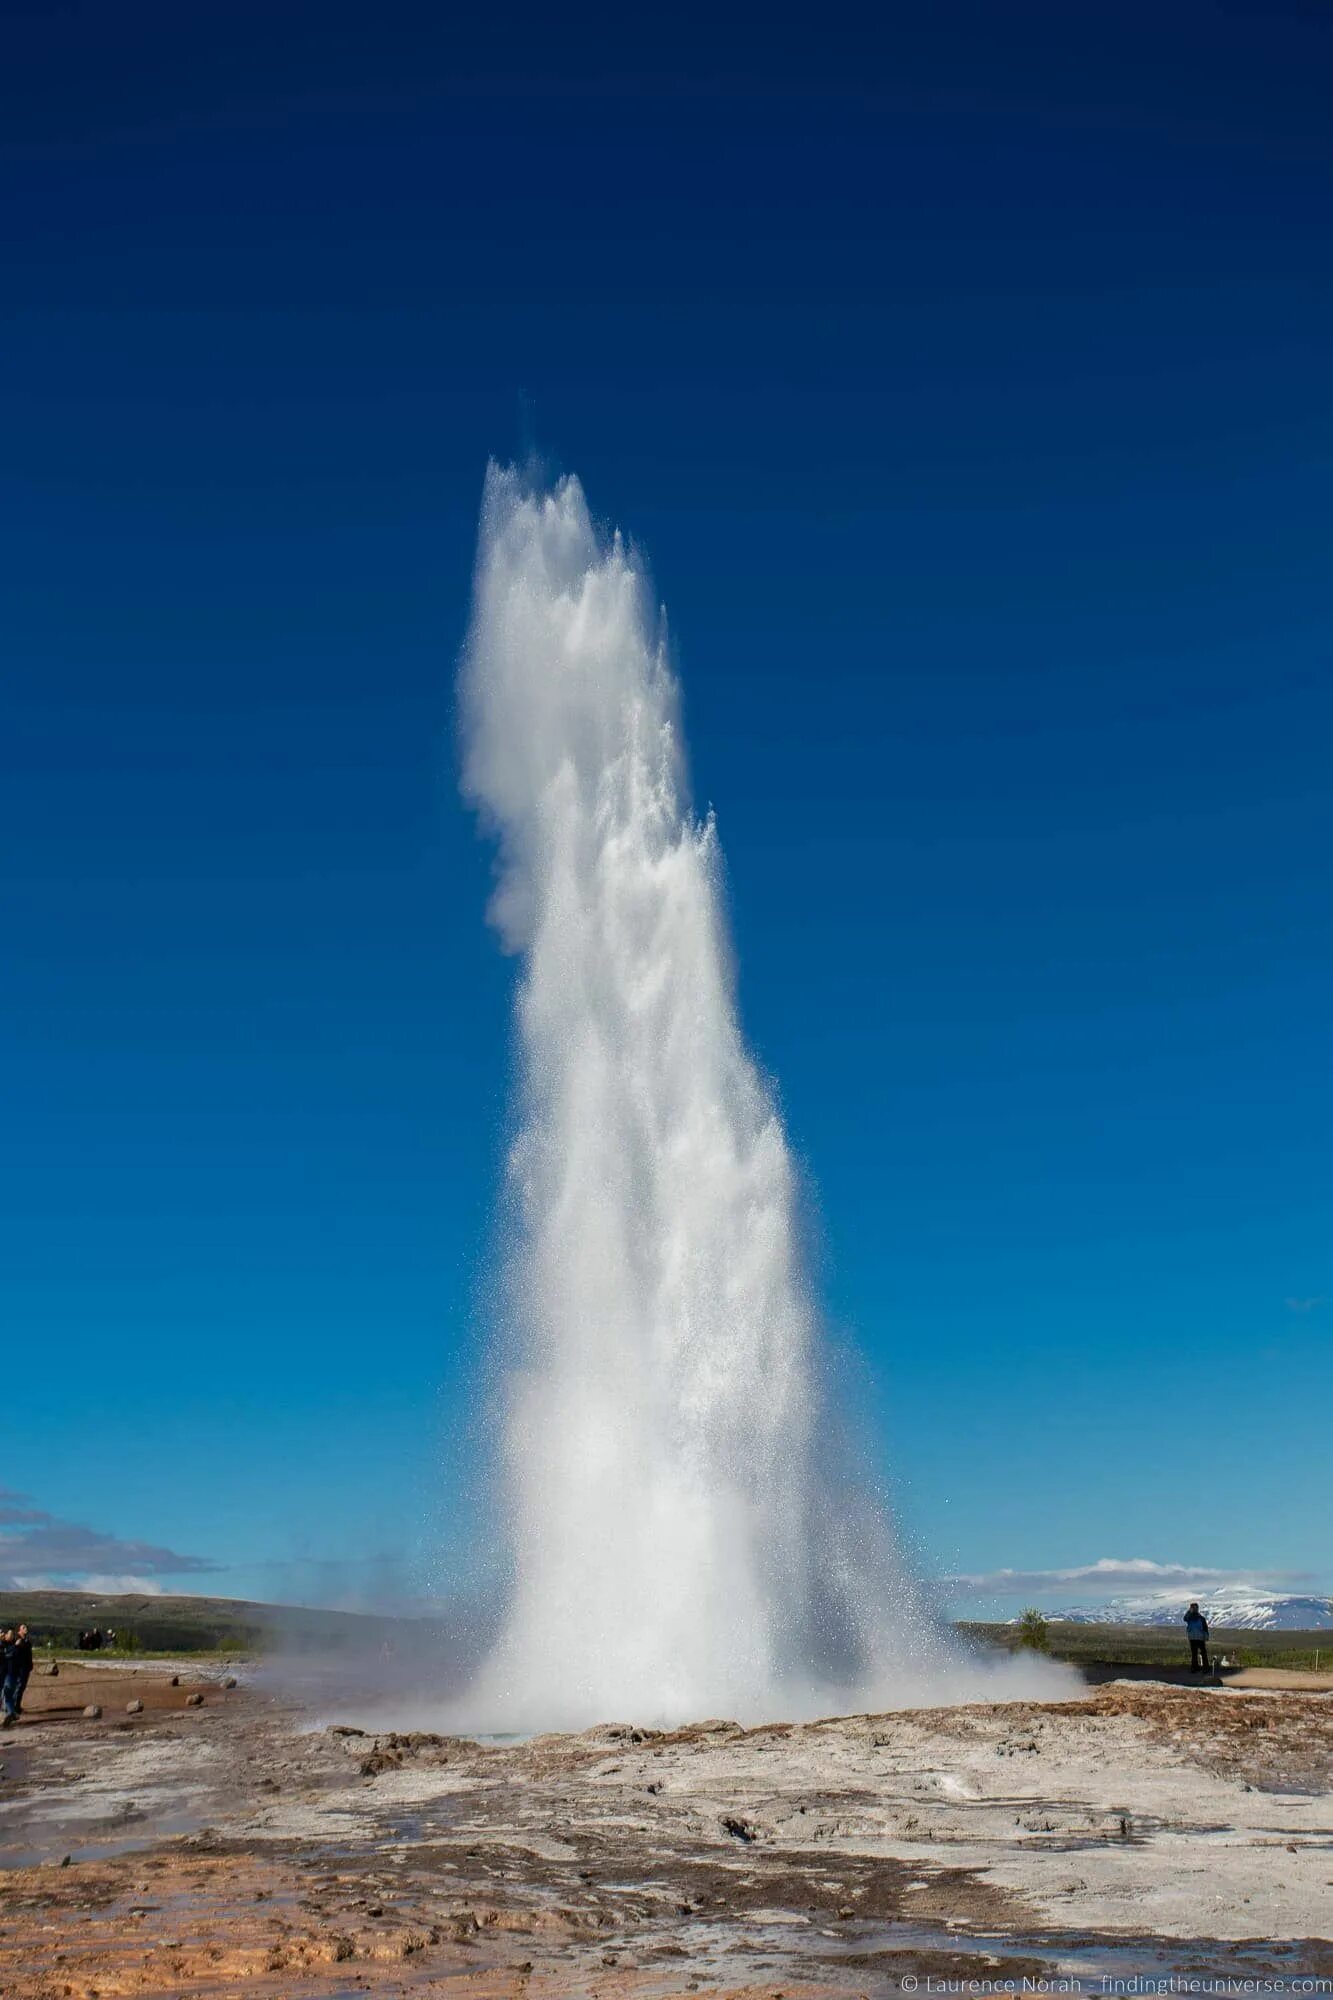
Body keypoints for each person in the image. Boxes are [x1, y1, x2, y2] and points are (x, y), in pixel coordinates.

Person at [8, 1624, 33, 1717]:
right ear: (19, 1630)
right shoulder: (16, 1639)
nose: (26, 1629)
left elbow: (29, 1654)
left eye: (26, 1628)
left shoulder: (27, 1641)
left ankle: (17, 1705)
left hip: (26, 1667)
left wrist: (30, 1664)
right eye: (24, 1628)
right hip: (18, 1667)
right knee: (18, 1686)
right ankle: (14, 1706)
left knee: (22, 1687)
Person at [1184, 1601, 1210, 1673]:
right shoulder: (1191, 1618)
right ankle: (1199, 1668)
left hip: (1196, 1638)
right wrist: (1189, 1611)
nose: (1194, 1609)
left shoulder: (1199, 1618)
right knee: (1197, 1653)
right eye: (1193, 1608)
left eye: (1195, 1608)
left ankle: (1200, 1668)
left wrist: (1206, 1635)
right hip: (1195, 1638)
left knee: (1199, 1653)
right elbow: (1185, 1618)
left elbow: (1205, 1628)